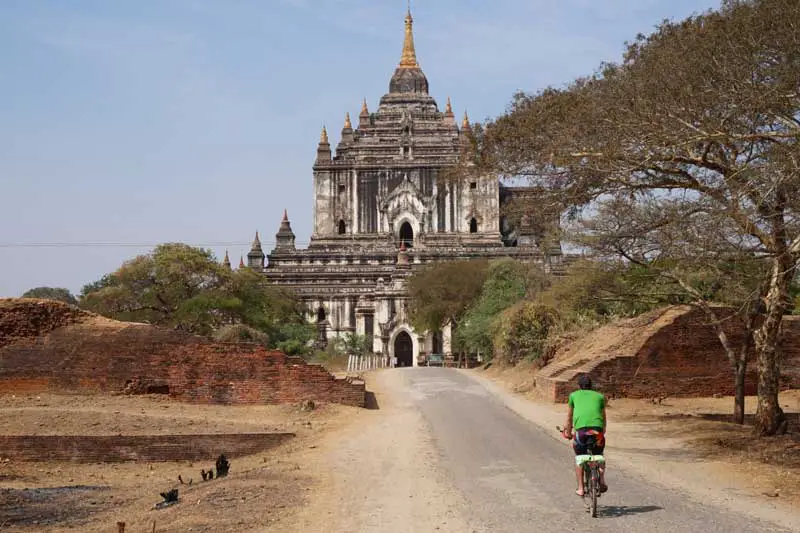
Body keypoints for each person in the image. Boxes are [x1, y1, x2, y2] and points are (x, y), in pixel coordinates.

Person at [562, 374, 608, 496]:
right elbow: (603, 417)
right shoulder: (600, 396)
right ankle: (602, 480)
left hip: (581, 432)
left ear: (579, 386)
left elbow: (569, 417)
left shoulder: (573, 396)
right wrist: (602, 431)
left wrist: (568, 432)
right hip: (597, 432)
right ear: (591, 386)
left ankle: (581, 488)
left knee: (579, 457)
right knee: (599, 454)